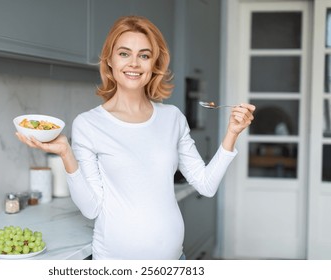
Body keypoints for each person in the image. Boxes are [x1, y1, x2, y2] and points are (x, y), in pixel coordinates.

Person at [16, 15, 255, 260]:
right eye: (124, 53)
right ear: (109, 60)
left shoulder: (172, 117)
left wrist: (231, 134)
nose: (134, 63)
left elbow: (206, 185)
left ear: (154, 64)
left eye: (144, 55)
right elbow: (90, 208)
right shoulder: (89, 124)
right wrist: (67, 153)